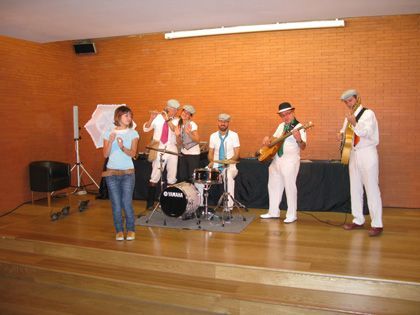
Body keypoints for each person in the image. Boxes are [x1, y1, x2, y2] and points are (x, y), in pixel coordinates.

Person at [339, 89, 383, 237]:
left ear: (357, 98)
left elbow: (367, 133)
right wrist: (341, 135)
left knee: (371, 188)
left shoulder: (368, 113)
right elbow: (347, 133)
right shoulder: (349, 117)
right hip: (353, 154)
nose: (348, 104)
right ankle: (358, 219)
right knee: (355, 188)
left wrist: (355, 123)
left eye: (350, 100)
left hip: (367, 152)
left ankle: (377, 224)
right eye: (346, 102)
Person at [260, 102, 307, 223]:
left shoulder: (299, 126)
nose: (285, 117)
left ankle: (292, 214)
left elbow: (303, 147)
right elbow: (274, 141)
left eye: (288, 114)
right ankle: (273, 211)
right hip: (277, 159)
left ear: (293, 112)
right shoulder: (281, 126)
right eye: (283, 115)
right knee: (273, 185)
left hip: (290, 161)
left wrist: (299, 139)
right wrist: (267, 140)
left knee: (290, 187)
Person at [103, 106, 139, 241]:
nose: (129, 118)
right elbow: (105, 154)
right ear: (118, 117)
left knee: (126, 202)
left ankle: (130, 229)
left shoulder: (133, 133)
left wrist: (122, 147)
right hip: (111, 173)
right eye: (126, 116)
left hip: (128, 173)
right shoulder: (108, 133)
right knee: (116, 204)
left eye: (130, 115)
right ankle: (118, 230)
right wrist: (111, 141)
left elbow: (134, 153)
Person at [143, 99, 180, 210]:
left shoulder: (177, 120)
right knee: (155, 175)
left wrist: (168, 119)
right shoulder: (158, 118)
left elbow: (175, 131)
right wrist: (151, 118)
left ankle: (170, 203)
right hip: (158, 148)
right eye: (172, 109)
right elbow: (146, 128)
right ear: (167, 108)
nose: (174, 111)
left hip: (171, 148)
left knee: (172, 177)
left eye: (176, 110)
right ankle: (150, 203)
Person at [208, 113, 240, 209]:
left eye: (225, 122)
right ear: (218, 122)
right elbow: (210, 153)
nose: (223, 123)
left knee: (228, 177)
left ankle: (228, 207)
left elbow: (237, 154)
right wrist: (211, 160)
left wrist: (227, 162)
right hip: (216, 166)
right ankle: (201, 205)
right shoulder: (213, 136)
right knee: (199, 178)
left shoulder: (234, 135)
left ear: (228, 123)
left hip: (230, 166)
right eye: (221, 121)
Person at [175, 105, 200, 182]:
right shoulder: (179, 125)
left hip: (193, 155)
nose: (185, 114)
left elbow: (197, 140)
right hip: (183, 153)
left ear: (190, 116)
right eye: (184, 112)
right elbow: (179, 143)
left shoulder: (192, 124)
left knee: (192, 178)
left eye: (188, 113)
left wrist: (189, 133)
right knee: (182, 177)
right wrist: (177, 135)